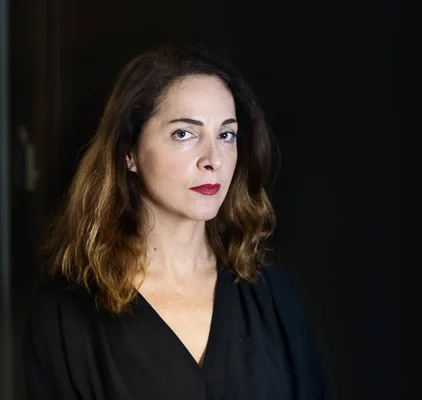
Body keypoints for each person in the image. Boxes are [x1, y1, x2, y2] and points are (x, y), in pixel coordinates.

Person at [22, 45, 328, 400]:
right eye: (184, 133)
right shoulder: (64, 314)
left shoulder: (273, 296)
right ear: (129, 153)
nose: (213, 159)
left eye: (226, 135)